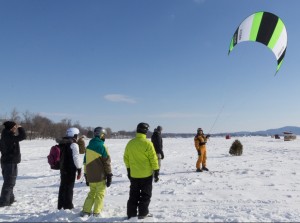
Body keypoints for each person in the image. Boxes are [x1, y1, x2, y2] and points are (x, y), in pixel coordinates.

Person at [124, 122, 160, 220]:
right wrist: (156, 171)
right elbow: (153, 158)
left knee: (133, 195)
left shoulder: (130, 143)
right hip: (146, 175)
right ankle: (143, 213)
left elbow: (126, 158)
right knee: (145, 195)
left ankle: (131, 214)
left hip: (134, 174)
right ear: (145, 131)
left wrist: (128, 169)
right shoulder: (148, 143)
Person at [81, 127, 112, 217]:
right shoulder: (103, 146)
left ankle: (86, 211)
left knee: (91, 193)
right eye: (104, 135)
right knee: (100, 194)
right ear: (101, 135)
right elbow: (107, 163)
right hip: (100, 176)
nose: (104, 137)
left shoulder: (89, 147)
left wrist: (86, 175)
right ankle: (96, 213)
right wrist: (109, 175)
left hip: (90, 176)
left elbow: (85, 162)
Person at [0, 121, 26, 207]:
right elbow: (23, 136)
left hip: (7, 161)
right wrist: (20, 128)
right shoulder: (9, 136)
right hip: (9, 162)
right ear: (11, 128)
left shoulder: (5, 135)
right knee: (9, 182)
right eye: (15, 127)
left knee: (9, 181)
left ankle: (10, 199)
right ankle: (4, 202)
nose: (16, 128)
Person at [58, 127, 82, 210]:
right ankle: (68, 206)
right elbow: (76, 158)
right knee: (69, 187)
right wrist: (79, 169)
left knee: (63, 186)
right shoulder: (74, 144)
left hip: (62, 168)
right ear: (74, 135)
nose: (78, 137)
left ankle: (60, 205)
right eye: (77, 135)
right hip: (70, 169)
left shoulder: (62, 143)